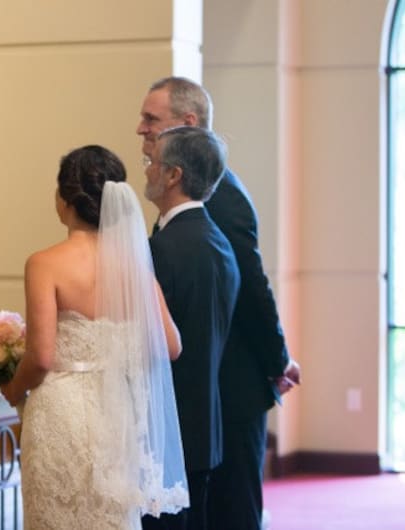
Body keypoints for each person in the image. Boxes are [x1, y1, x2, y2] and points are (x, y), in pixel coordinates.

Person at [137, 77, 301, 530]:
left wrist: (277, 359)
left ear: (187, 124)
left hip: (229, 386)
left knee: (233, 513)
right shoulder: (194, 191)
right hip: (208, 386)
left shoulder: (220, 198)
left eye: (151, 119)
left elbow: (251, 285)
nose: (140, 129)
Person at [1, 145, 189, 529]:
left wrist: (12, 390)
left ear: (65, 199)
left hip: (60, 413)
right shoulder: (134, 268)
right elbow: (172, 346)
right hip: (114, 417)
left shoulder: (44, 263)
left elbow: (40, 357)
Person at [143, 126, 241, 530]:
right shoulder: (221, 244)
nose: (146, 170)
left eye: (152, 162)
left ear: (173, 176)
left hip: (165, 433)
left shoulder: (161, 250)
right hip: (206, 429)